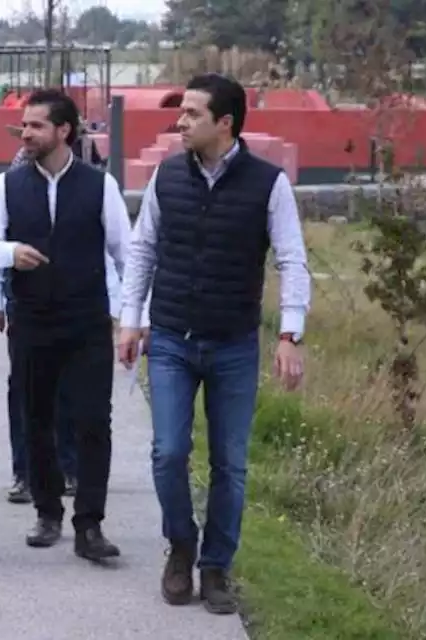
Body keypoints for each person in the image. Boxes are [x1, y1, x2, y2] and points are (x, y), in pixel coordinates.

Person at [115, 73, 311, 615]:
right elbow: (143, 249)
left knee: (230, 462)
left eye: (192, 114)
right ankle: (181, 546)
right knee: (168, 452)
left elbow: (292, 260)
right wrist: (131, 320)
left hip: (233, 343)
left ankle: (216, 566)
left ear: (225, 123)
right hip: (173, 336)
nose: (180, 121)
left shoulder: (269, 184)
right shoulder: (166, 176)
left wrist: (291, 334)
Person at [0, 89, 129, 561]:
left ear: (64, 131)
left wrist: (133, 317)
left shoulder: (101, 186)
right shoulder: (8, 185)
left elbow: (128, 252)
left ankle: (90, 525)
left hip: (86, 322)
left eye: (36, 125)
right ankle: (47, 512)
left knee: (93, 421)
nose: (26, 133)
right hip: (32, 320)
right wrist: (8, 255)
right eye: (24, 125)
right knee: (35, 417)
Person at [0, 255, 123, 504]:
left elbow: (109, 252)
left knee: (67, 386)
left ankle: (68, 467)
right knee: (23, 389)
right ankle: (24, 473)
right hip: (26, 301)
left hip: (76, 301)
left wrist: (115, 307)